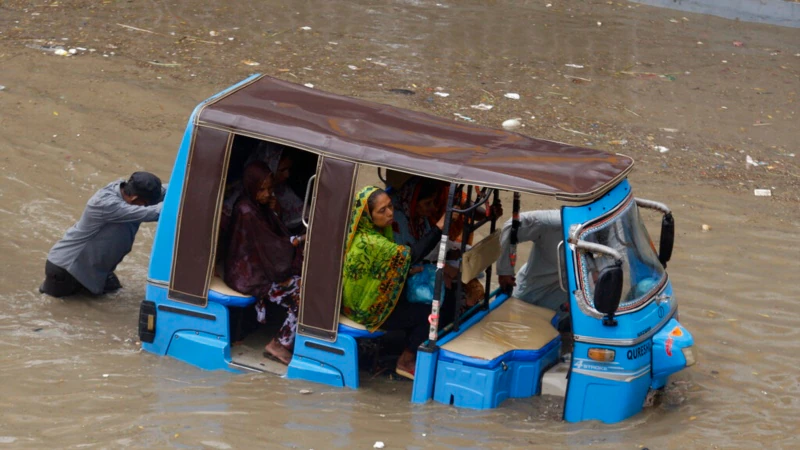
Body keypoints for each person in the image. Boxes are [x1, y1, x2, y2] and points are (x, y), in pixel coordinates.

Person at [342, 186, 445, 380]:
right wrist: (439, 228)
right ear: (368, 215)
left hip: (370, 296)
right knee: (431, 313)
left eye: (390, 206)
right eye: (382, 210)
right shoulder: (371, 241)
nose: (390, 213)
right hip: (364, 308)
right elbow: (410, 255)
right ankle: (405, 361)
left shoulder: (378, 232)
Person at [224, 161, 304, 364]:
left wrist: (274, 211)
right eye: (262, 189)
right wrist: (299, 241)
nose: (268, 193)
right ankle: (279, 344)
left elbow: (273, 237)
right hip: (248, 275)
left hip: (259, 267)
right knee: (301, 296)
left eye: (270, 188)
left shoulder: (258, 206)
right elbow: (271, 246)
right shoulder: (247, 211)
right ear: (252, 187)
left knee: (303, 284)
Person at [40, 172, 166, 298]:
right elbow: (156, 213)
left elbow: (167, 191)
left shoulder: (128, 192)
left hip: (95, 269)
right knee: (60, 308)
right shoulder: (106, 204)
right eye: (147, 203)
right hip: (67, 269)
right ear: (134, 199)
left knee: (113, 297)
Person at [497, 210, 569, 312]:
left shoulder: (597, 239)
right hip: (530, 290)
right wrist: (504, 271)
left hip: (563, 298)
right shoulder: (554, 223)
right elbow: (512, 226)